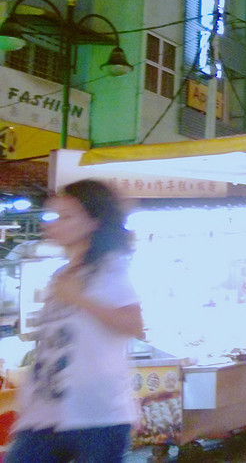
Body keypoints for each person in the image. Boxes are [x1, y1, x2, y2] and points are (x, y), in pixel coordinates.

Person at [8, 180, 143, 463]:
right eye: (51, 216)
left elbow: (134, 324)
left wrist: (80, 298)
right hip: (45, 414)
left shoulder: (110, 267)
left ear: (94, 221)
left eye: (66, 216)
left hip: (97, 415)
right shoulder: (60, 274)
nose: (54, 224)